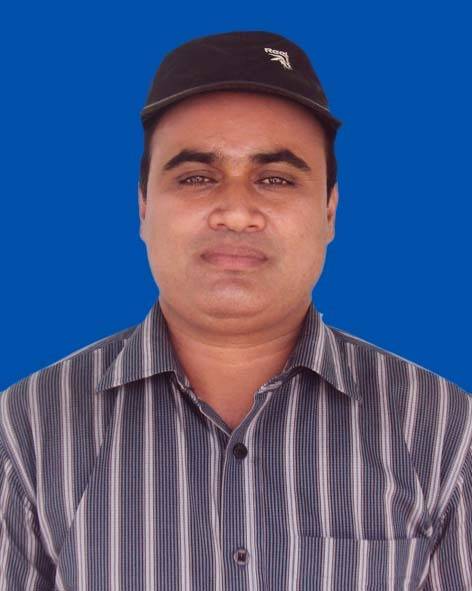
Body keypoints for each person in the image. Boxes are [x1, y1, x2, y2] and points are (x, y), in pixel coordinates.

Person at [0, 30, 470, 591]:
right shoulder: (27, 428)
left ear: (329, 212)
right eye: (197, 178)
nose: (237, 212)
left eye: (275, 179)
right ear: (143, 207)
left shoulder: (443, 431)